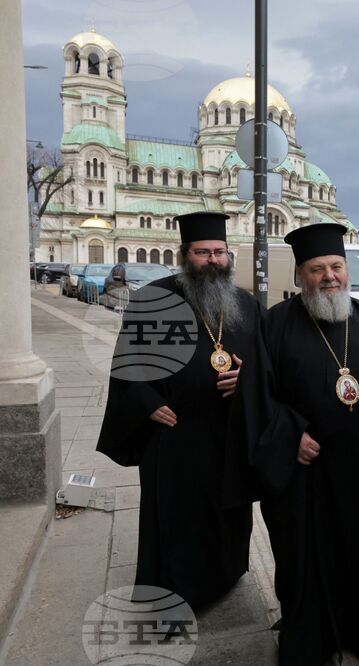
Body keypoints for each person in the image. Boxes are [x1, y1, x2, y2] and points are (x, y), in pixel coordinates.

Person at [230, 222, 359, 665]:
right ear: (301, 276)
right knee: (303, 563)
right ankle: (308, 642)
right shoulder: (275, 325)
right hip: (303, 480)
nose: (330, 276)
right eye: (318, 269)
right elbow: (254, 397)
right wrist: (289, 435)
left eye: (336, 266)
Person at [96, 211, 259, 609]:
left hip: (227, 430)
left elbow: (267, 362)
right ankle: (175, 594)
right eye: (203, 252)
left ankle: (225, 574)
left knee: (226, 510)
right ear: (185, 254)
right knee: (176, 518)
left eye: (219, 252)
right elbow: (128, 361)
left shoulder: (246, 304)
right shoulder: (154, 298)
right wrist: (147, 402)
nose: (213, 260)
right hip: (174, 434)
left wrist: (249, 379)